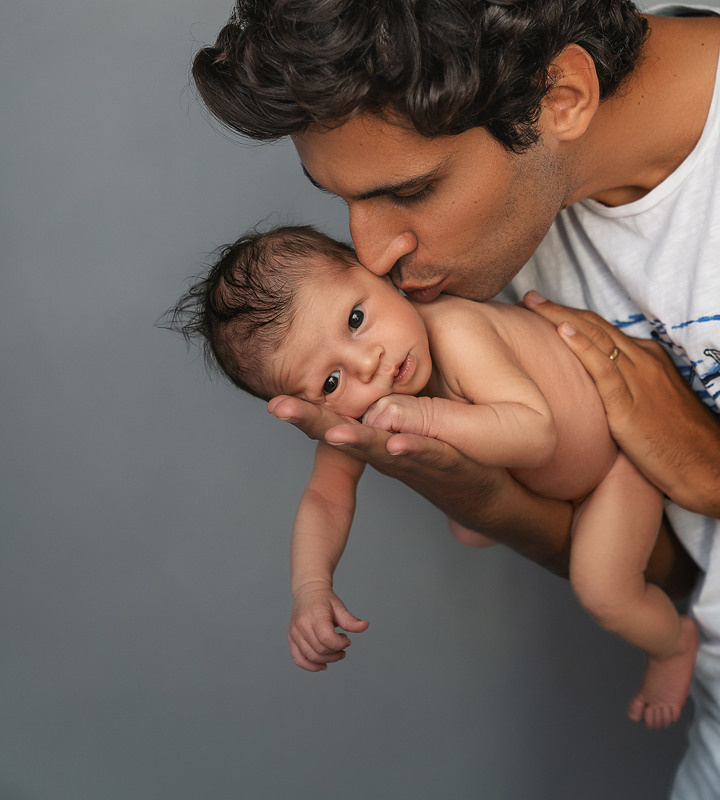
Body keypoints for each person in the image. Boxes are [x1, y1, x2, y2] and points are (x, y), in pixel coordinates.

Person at [189, 0, 720, 795]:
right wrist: (479, 498)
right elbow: (679, 570)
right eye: (343, 202)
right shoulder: (491, 248)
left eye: (409, 193)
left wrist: (711, 468)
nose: (374, 255)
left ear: (561, 97)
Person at [172, 223, 698, 727]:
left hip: (615, 463)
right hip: (562, 479)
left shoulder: (456, 331)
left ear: (377, 276)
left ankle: (674, 644)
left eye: (355, 319)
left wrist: (425, 416)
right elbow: (326, 497)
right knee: (467, 529)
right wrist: (311, 586)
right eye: (331, 381)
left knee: (604, 590)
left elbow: (537, 434)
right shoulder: (360, 411)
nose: (367, 363)